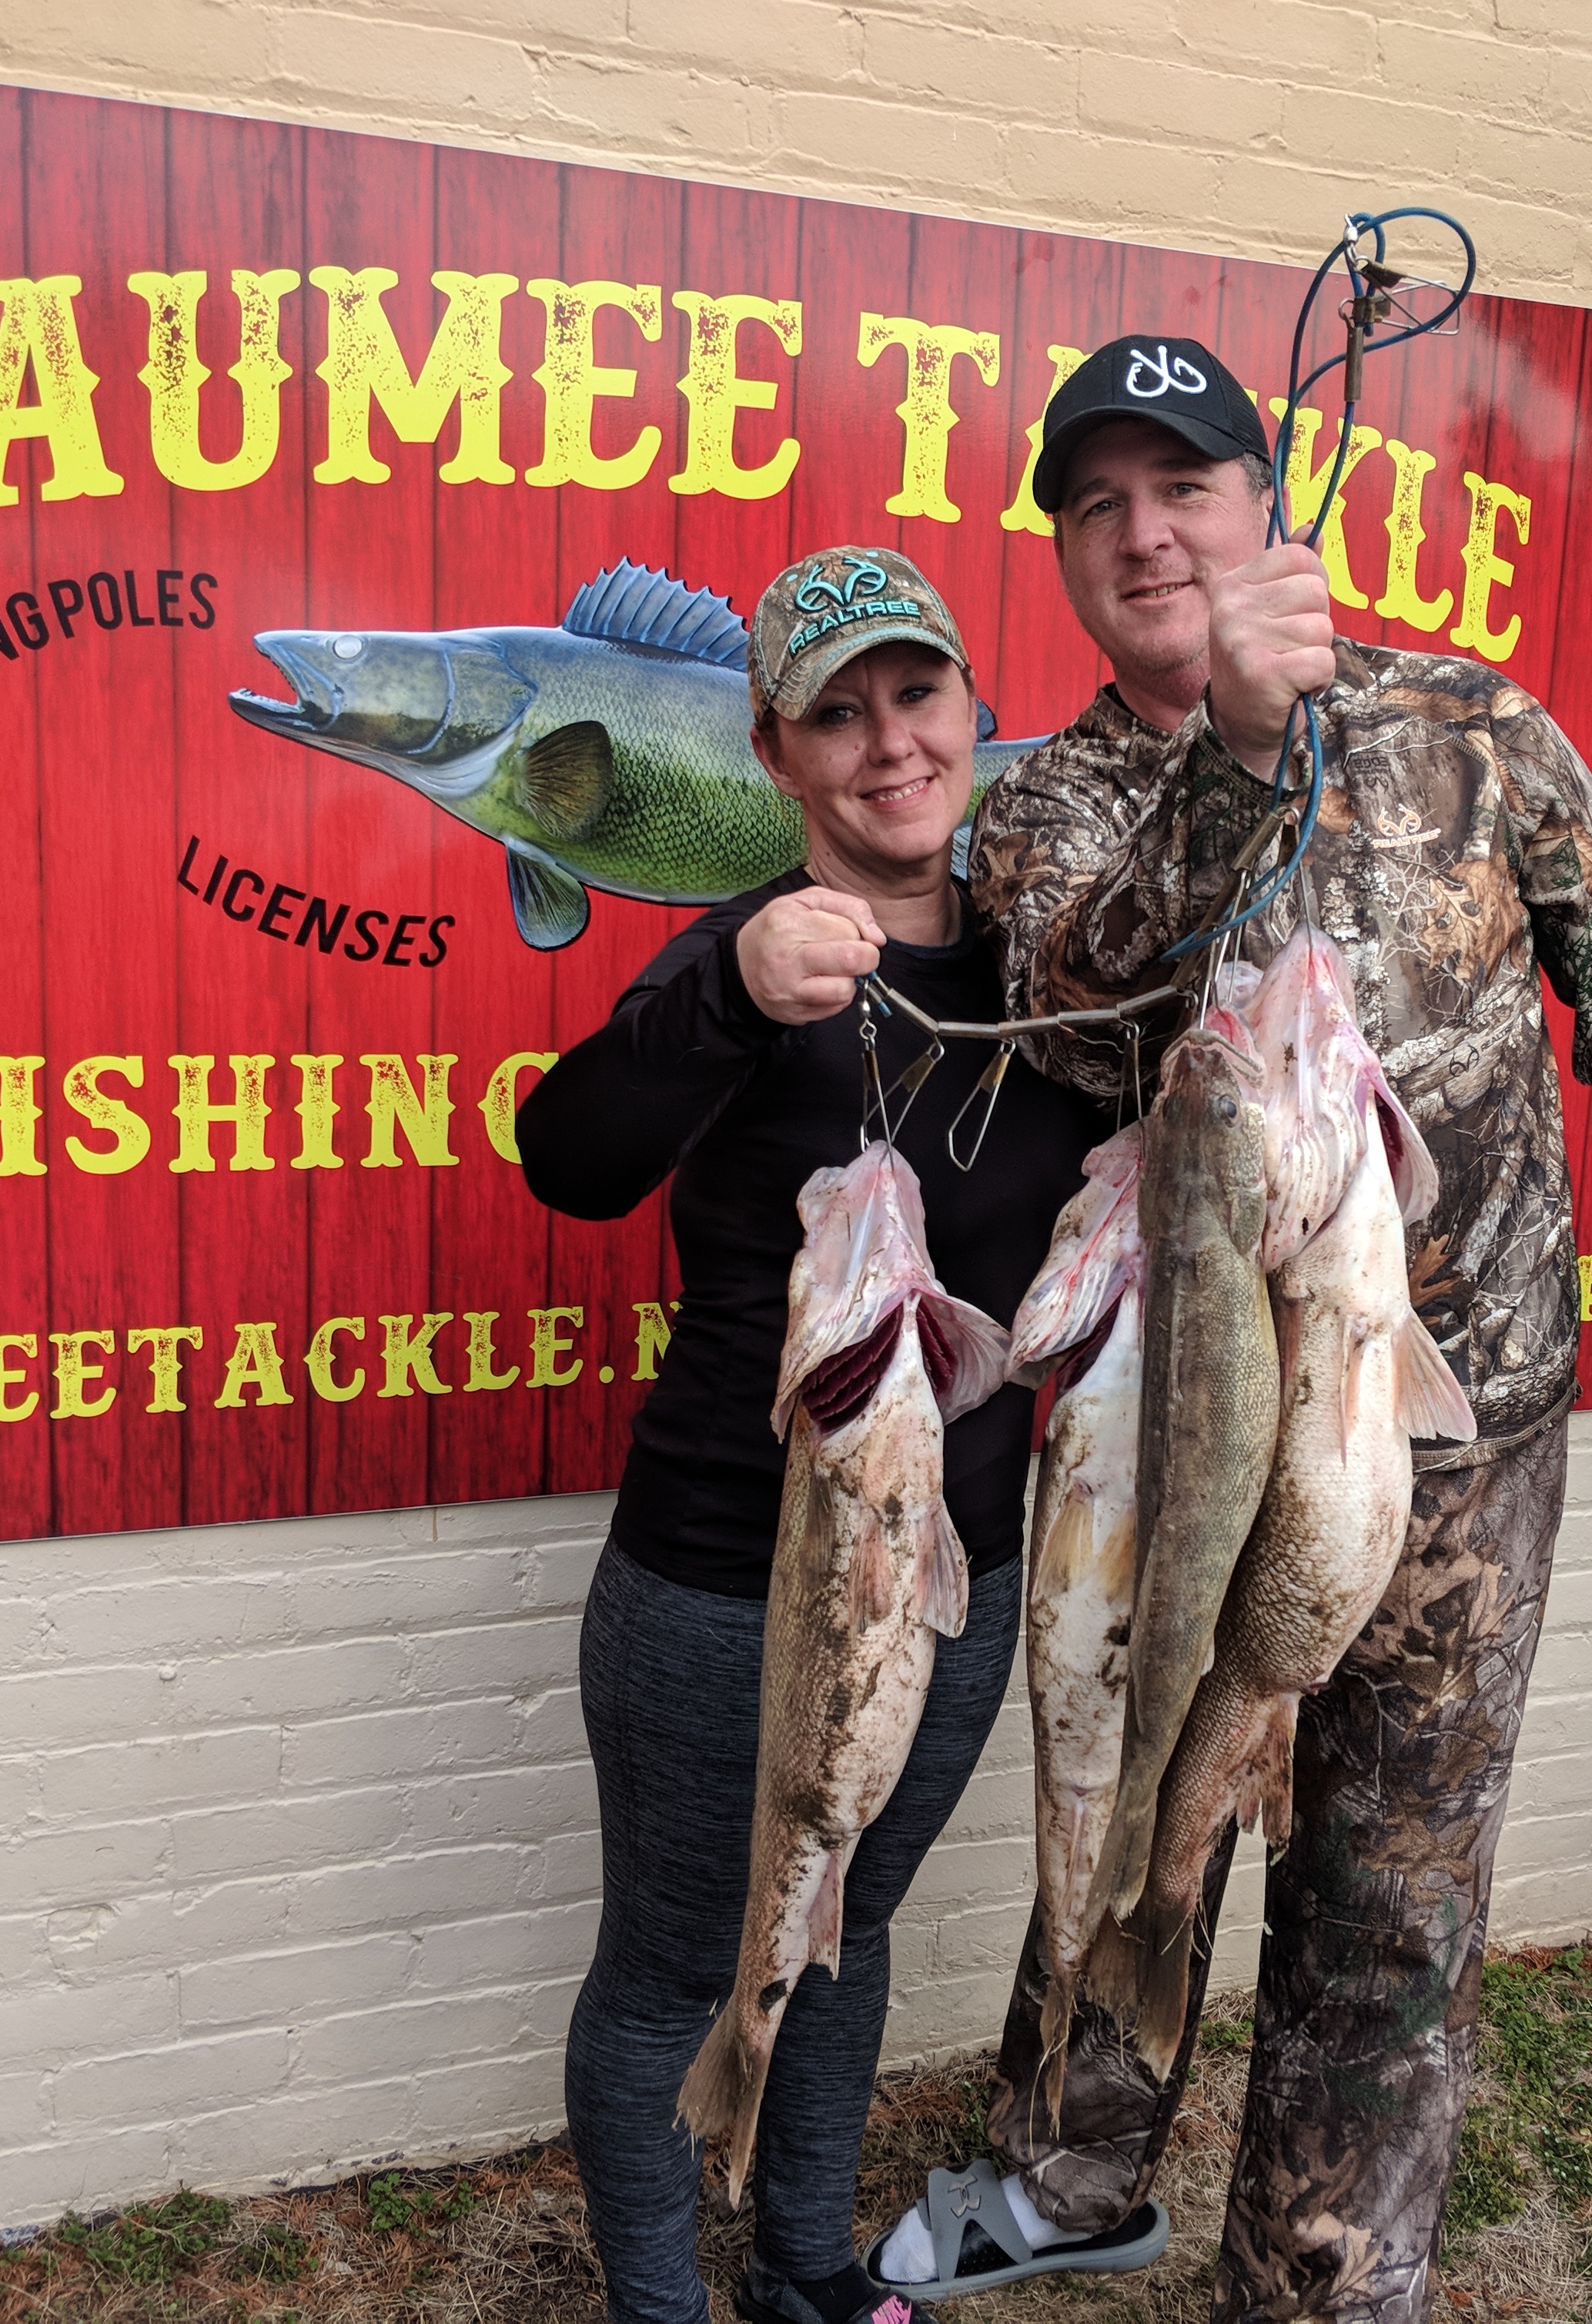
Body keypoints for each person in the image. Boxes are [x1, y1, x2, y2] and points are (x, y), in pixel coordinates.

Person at [870, 338, 1592, 2321]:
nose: (1143, 535)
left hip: (1452, 1430)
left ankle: (1321, 2282)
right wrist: (1242, 759)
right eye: (1095, 506)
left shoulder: (1469, 727)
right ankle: (1072, 2175)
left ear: (1265, 506)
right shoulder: (1049, 803)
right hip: (1178, 1440)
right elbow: (1077, 1007)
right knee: (1129, 1819)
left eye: (1182, 487)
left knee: (1387, 1901)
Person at [515, 545, 1115, 2324]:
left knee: (840, 1931)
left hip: (957, 1575)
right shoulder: (747, 954)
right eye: (835, 715)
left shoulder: (1047, 964)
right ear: (775, 754)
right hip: (724, 1584)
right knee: (672, 1973)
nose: (888, 742)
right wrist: (726, 990)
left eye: (916, 694)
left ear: (973, 711)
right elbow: (570, 1158)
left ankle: (805, 2271)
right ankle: (660, 2307)